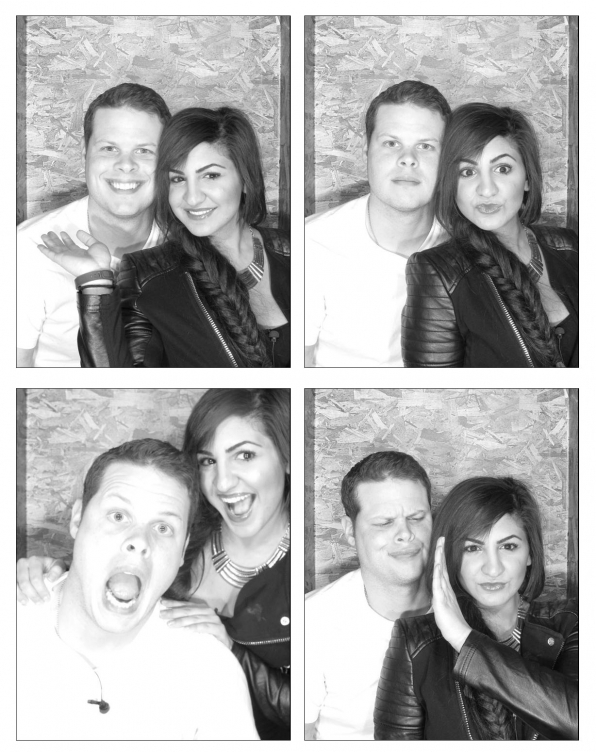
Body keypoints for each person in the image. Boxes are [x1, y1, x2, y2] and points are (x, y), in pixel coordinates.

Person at [17, 388, 290, 740]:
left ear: (287, 457)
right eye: (208, 461)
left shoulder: (212, 669)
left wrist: (231, 651)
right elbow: (110, 555)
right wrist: (51, 574)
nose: (223, 482)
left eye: (246, 455)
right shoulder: (192, 529)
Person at [37, 108, 290, 367]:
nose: (192, 197)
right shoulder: (147, 277)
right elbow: (118, 383)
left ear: (245, 179)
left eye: (210, 175)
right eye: (178, 179)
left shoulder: (299, 251)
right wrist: (95, 283)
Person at [375, 477, 578, 740]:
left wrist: (464, 638)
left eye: (508, 546)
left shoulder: (572, 623)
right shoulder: (414, 640)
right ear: (450, 556)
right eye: (472, 548)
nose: (492, 568)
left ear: (530, 553)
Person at [402, 103, 578, 367]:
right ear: (452, 185)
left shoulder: (571, 246)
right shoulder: (438, 272)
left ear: (527, 178)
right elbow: (433, 390)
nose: (486, 190)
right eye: (468, 172)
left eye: (502, 169)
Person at [17, 83, 169, 367]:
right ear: (85, 153)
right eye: (109, 148)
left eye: (144, 151)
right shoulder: (26, 249)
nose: (126, 165)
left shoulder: (188, 245)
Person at [305, 80, 449, 367]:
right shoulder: (311, 244)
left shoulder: (468, 244)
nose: (408, 159)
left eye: (425, 146)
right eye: (391, 143)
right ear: (366, 151)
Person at [305, 451, 433, 740]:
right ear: (350, 531)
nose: (405, 534)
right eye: (384, 522)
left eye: (416, 518)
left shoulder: (464, 609)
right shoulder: (311, 622)